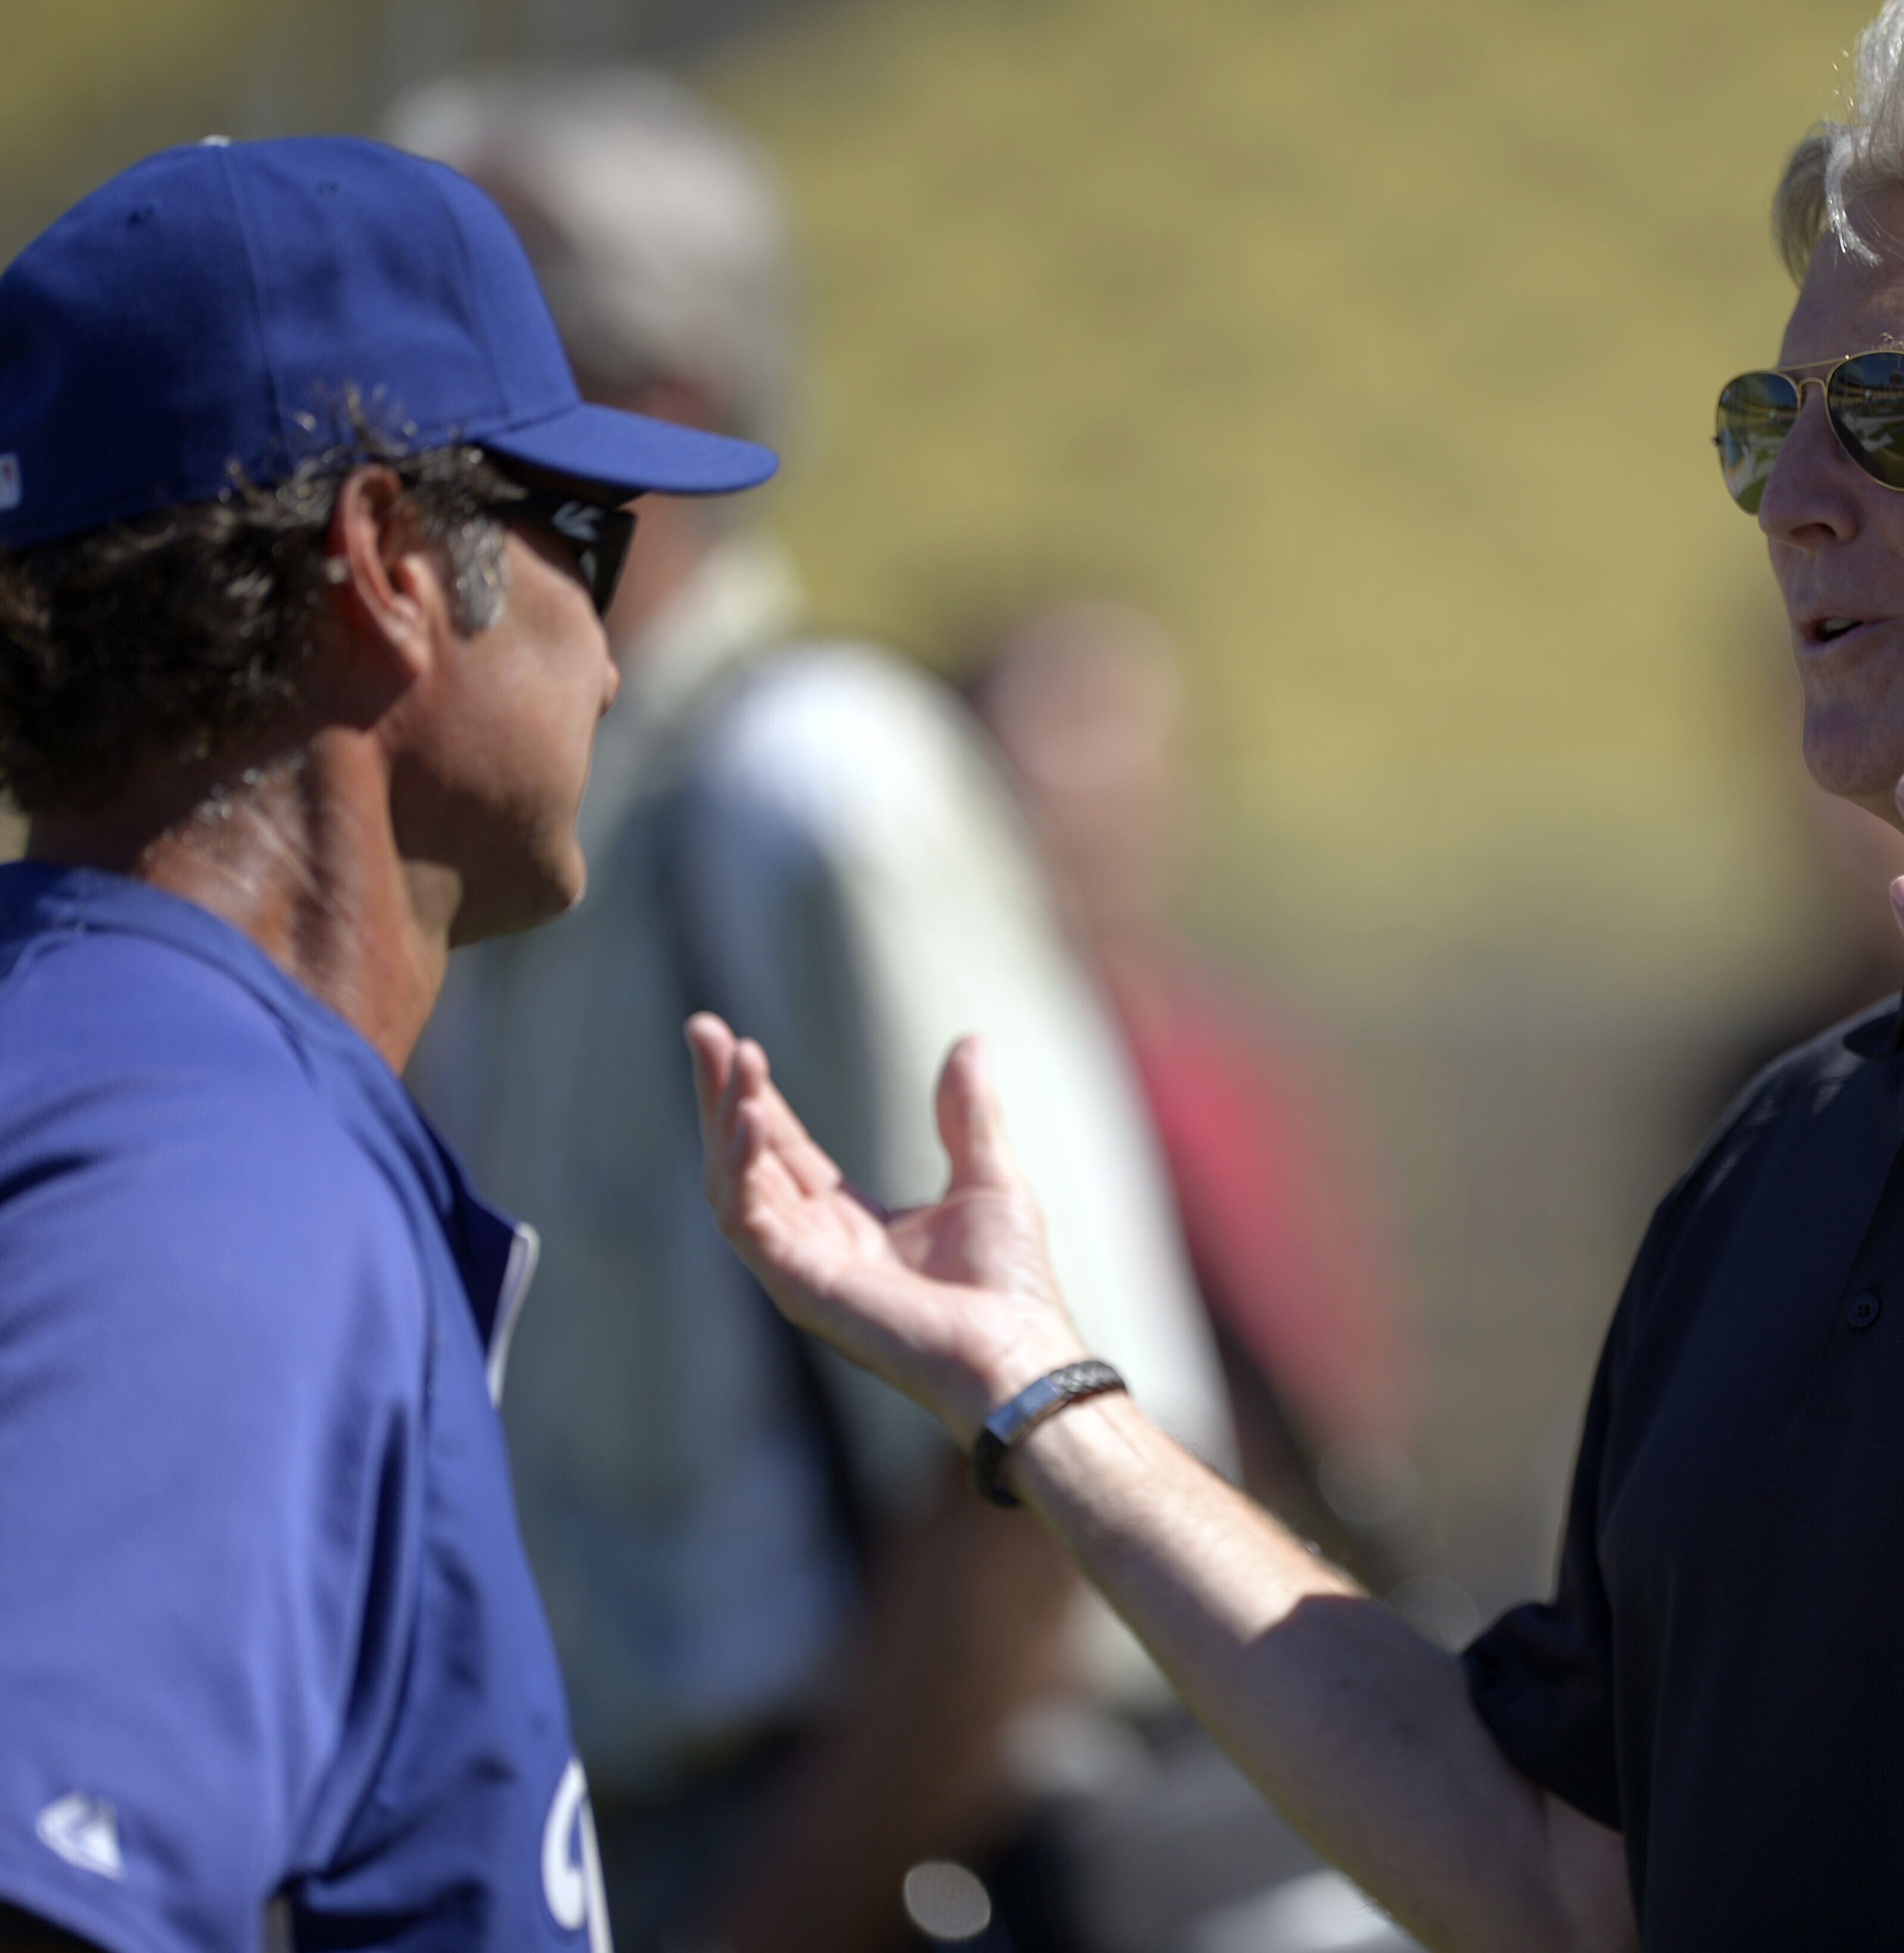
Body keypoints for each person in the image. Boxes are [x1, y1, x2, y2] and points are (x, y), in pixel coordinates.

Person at [684, 2, 1904, 1946]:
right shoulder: (1786, 1146)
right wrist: (1047, 1398)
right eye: (1767, 427)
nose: (1794, 500)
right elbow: (1564, 1881)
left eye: (1895, 416)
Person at [385, 72, 1233, 1953]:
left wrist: (766, 1924)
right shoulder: (554, 817)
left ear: (653, 418)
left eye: (453, 377)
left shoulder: (812, 794)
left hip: (866, 1874)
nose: (387, 443)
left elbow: (1045, 1474)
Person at [0, 136, 774, 1950]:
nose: (611, 647)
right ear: (390, 563)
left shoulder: (119, 1078)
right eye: (583, 525)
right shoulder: (207, 1182)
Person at [968, 603, 1424, 1580]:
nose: (1101, 800)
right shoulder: (965, 1084)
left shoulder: (1248, 1070)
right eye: (1063, 743)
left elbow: (1346, 1382)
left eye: (1131, 746)